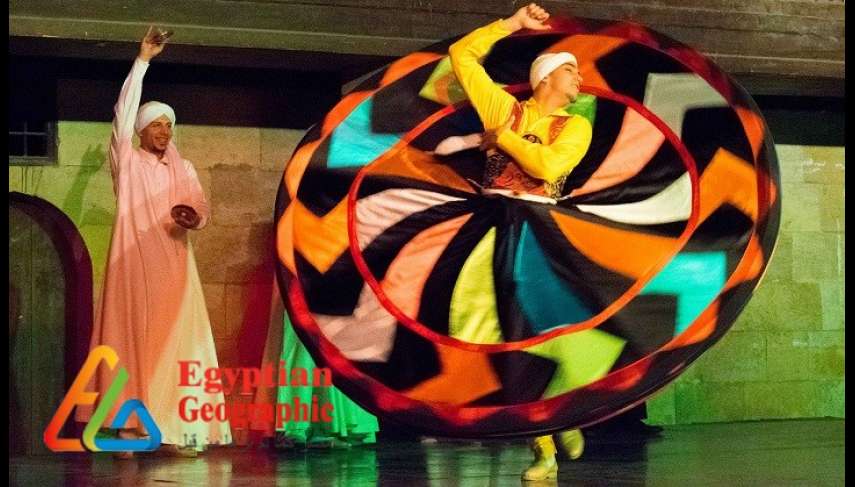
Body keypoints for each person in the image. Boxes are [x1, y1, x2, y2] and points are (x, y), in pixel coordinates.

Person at [447, 3, 591, 481]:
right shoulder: (503, 108)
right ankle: (543, 447)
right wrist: (511, 25)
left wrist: (503, 140)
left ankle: (564, 414)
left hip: (542, 230)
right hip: (492, 225)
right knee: (504, 336)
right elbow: (461, 56)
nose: (579, 78)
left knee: (547, 329)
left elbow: (547, 167)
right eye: (570, 70)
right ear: (545, 77)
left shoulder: (576, 126)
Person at [74, 26, 230, 458]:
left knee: (181, 345)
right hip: (133, 266)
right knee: (129, 344)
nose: (163, 131)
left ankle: (179, 428)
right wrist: (142, 61)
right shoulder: (127, 162)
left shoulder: (184, 168)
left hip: (175, 269)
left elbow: (200, 205)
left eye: (168, 125)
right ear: (141, 131)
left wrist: (194, 217)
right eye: (156, 125)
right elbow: (122, 116)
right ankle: (128, 429)